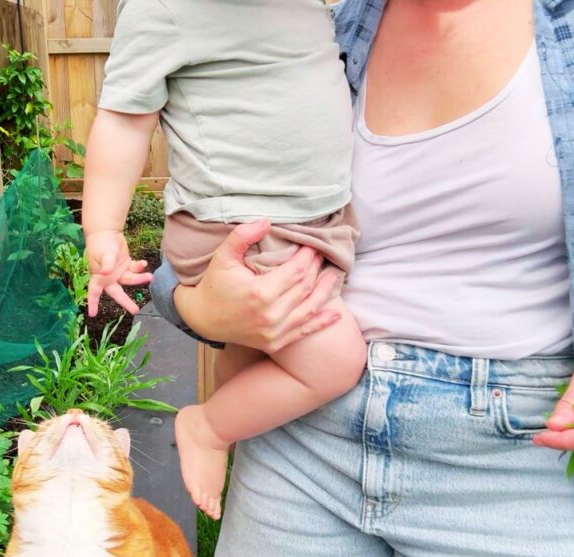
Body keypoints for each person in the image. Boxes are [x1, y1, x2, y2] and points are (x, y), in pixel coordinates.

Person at [138, 0, 574, 557]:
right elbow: (218, 211)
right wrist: (197, 306)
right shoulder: (321, 23)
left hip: (520, 462)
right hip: (298, 433)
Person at [81, 0, 367, 521]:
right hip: (234, 229)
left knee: (259, 350)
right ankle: (208, 428)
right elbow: (123, 122)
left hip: (307, 218)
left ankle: (237, 438)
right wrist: (103, 229)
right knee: (335, 360)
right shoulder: (163, 10)